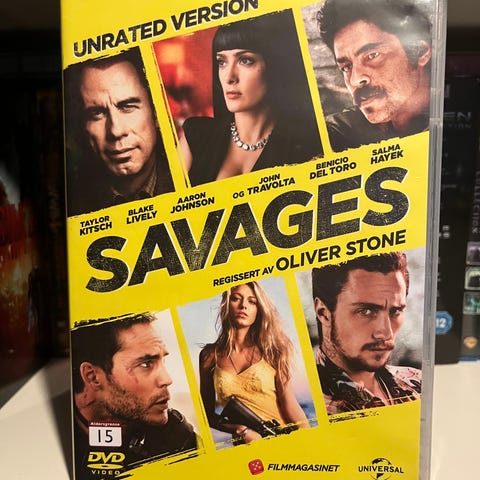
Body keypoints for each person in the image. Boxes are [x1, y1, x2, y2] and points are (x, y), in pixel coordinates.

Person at [180, 11, 322, 186]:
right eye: (222, 62)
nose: (229, 77)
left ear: (274, 65)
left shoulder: (306, 147)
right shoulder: (196, 135)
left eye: (245, 60)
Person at [71, 313, 198, 478]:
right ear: (93, 377)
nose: (167, 379)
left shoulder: (177, 436)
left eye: (162, 361)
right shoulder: (62, 438)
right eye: (146, 364)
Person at [64, 48, 174, 216]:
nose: (116, 131)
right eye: (97, 113)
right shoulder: (72, 202)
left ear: (157, 112)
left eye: (127, 107)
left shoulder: (195, 178)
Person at [199, 282, 309, 446]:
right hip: (246, 448)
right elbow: (206, 415)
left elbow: (290, 404)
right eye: (236, 298)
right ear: (226, 304)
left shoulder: (272, 351)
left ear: (259, 310)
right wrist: (239, 429)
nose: (243, 305)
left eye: (252, 302)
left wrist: (310, 441)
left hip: (283, 440)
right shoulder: (209, 356)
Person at [311, 252, 421, 415]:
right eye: (366, 311)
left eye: (395, 311)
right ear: (323, 313)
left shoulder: (417, 383)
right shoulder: (311, 407)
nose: (386, 333)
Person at [317, 0, 432, 152]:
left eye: (372, 55)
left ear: (420, 52)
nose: (355, 80)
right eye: (346, 67)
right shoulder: (339, 133)